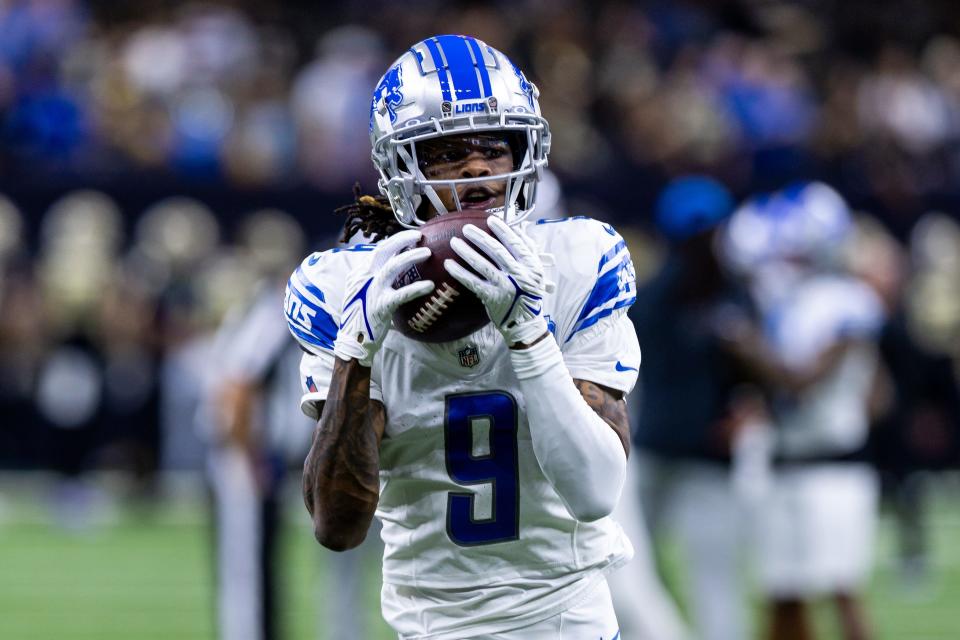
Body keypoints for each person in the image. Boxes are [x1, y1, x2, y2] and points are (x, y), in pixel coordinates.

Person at [284, 35, 639, 639]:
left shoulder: (577, 262)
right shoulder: (345, 286)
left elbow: (595, 491)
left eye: (495, 146)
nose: (478, 167)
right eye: (448, 152)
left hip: (566, 622)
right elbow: (337, 528)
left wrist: (528, 331)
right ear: (401, 168)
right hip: (429, 627)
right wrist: (354, 353)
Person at [720, 182, 885, 640]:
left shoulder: (841, 300)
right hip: (782, 464)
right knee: (781, 595)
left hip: (832, 467)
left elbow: (804, 382)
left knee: (842, 590)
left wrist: (748, 348)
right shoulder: (782, 304)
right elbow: (879, 394)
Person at [627, 176, 764, 640]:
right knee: (629, 571)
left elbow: (752, 380)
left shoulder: (730, 292)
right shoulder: (659, 299)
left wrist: (748, 407)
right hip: (663, 449)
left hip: (699, 454)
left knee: (712, 581)